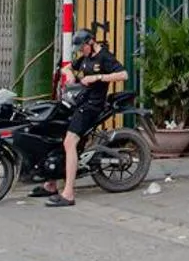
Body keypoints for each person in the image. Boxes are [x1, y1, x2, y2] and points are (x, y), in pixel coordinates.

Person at [38, 30, 126, 207]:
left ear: (91, 42)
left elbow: (124, 74)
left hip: (91, 107)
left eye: (82, 47)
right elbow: (67, 67)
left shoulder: (104, 57)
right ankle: (51, 184)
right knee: (55, 132)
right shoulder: (85, 57)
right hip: (78, 102)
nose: (80, 51)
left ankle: (68, 193)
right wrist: (69, 73)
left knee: (69, 142)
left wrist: (98, 77)